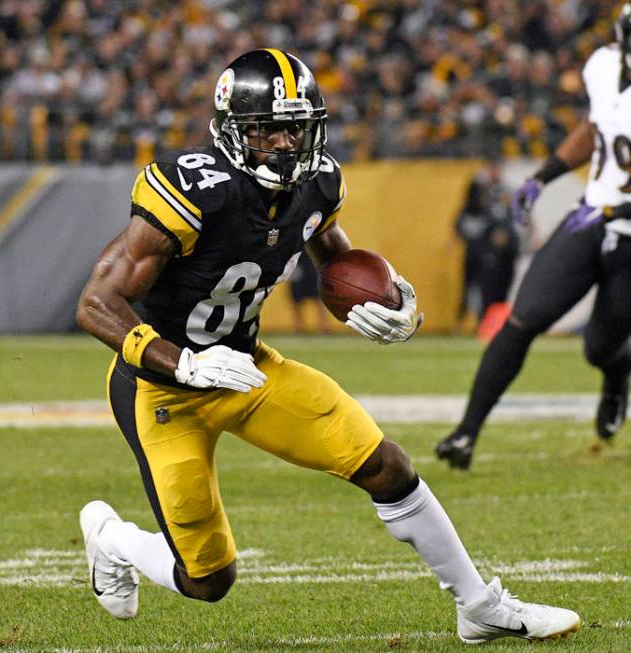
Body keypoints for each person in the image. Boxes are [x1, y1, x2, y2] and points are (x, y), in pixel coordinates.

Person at [75, 49, 580, 644]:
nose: (287, 143)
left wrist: (392, 298)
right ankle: (113, 539)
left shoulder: (316, 184)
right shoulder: (189, 190)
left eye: (298, 127)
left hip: (251, 370)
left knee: (385, 464)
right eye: (269, 129)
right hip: (163, 393)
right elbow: (95, 303)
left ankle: (479, 606)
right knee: (208, 580)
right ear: (234, 130)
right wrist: (183, 361)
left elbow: (335, 256)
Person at [436, 4, 631, 470]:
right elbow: (594, 127)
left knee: (599, 346)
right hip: (591, 215)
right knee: (524, 317)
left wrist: (617, 208)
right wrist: (543, 176)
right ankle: (466, 433)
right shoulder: (604, 66)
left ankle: (617, 370)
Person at [453, 157, 519, 329]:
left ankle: (495, 325)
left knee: (502, 289)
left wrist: (510, 237)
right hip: (484, 251)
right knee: (484, 290)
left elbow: (516, 218)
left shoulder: (507, 191)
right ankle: (483, 324)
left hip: (505, 252)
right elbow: (465, 220)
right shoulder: (477, 190)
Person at [288, 253, 329, 334]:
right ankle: (299, 326)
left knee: (318, 298)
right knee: (297, 299)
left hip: (312, 266)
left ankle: (323, 326)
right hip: (297, 266)